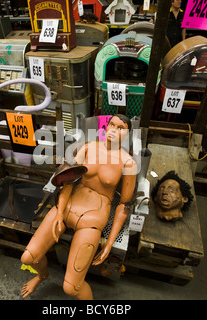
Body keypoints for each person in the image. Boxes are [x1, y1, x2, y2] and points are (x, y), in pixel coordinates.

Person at [20, 114, 137, 300]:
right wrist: (59, 213)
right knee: (28, 257)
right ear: (105, 128)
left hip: (94, 216)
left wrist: (109, 242)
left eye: (121, 128)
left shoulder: (128, 162)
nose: (114, 130)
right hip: (70, 204)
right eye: (112, 124)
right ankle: (42, 275)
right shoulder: (88, 147)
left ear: (127, 134)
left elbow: (124, 204)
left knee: (71, 287)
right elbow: (67, 181)